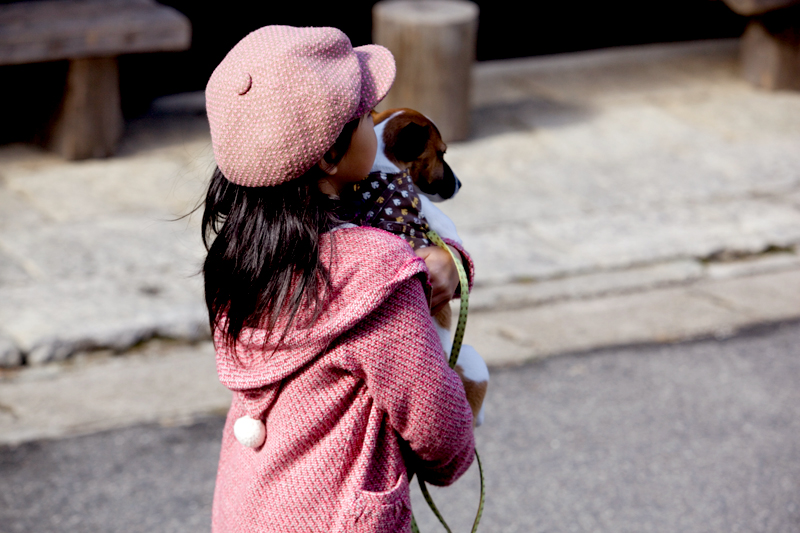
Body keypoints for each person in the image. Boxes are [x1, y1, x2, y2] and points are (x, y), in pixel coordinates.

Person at [201, 25, 475, 532]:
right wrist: (454, 457)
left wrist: (447, 263)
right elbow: (438, 425)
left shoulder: (239, 255)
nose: (377, 126)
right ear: (329, 155)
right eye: (365, 118)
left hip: (248, 506)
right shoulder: (375, 271)